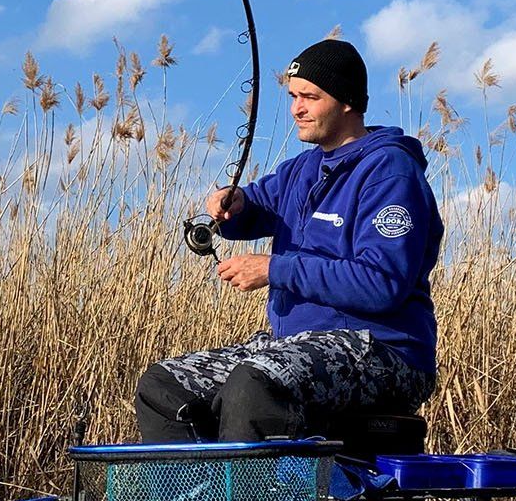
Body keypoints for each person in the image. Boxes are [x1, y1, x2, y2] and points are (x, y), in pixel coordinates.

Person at [136, 37, 443, 443]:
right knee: (164, 386)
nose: (297, 108)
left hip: (383, 352)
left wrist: (274, 269)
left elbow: (381, 284)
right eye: (293, 96)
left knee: (255, 384)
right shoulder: (303, 169)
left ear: (347, 101)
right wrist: (235, 204)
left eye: (310, 97)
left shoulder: (390, 173)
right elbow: (257, 207)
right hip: (296, 344)